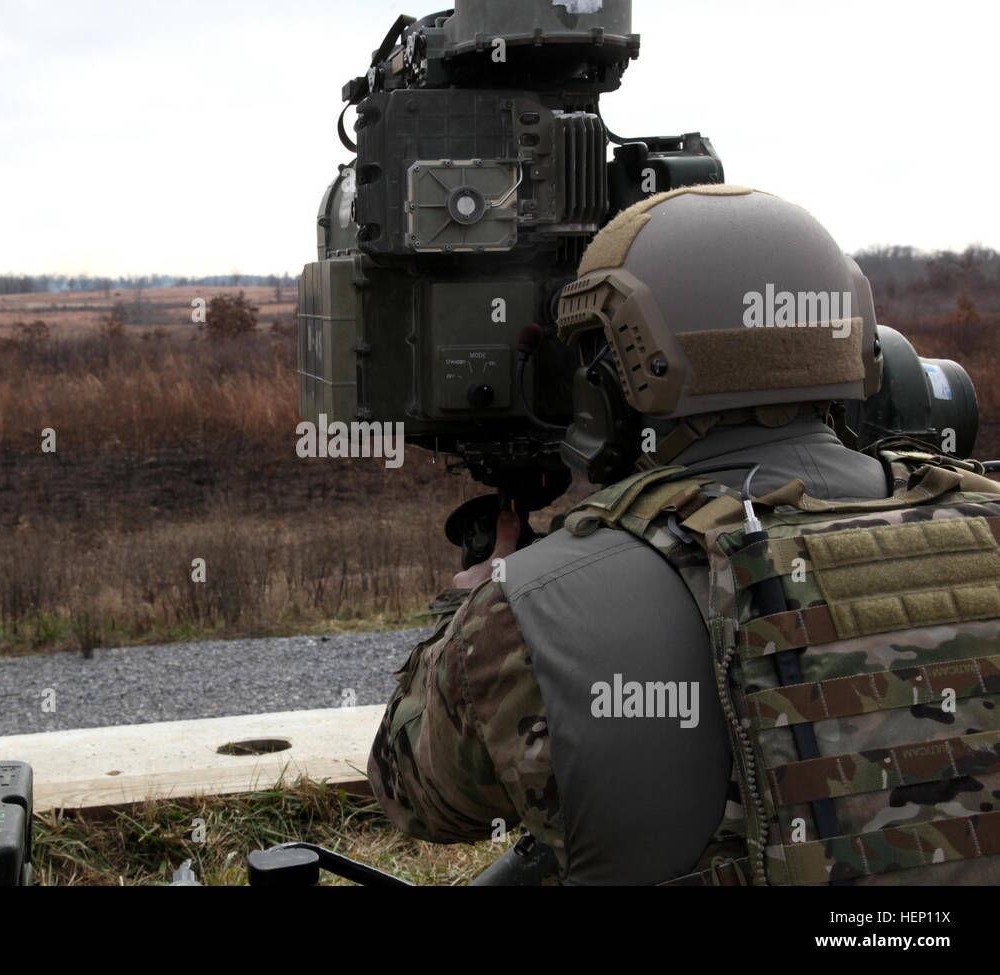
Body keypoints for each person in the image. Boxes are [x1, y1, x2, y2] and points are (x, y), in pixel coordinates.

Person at [368, 185, 1000, 885]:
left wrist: (470, 608)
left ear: (610, 383)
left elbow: (417, 799)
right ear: (861, 347)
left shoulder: (529, 617)